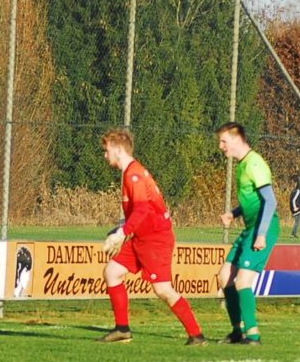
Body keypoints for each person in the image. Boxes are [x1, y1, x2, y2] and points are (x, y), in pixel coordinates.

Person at [98, 128, 207, 345]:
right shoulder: (131, 173)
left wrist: (122, 233)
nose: (105, 155)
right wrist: (122, 228)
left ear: (118, 150)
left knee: (163, 289)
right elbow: (141, 212)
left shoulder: (134, 175)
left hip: (155, 239)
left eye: (107, 150)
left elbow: (142, 209)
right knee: (112, 272)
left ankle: (196, 335)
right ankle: (122, 329)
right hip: (141, 237)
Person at [217, 122, 279, 345]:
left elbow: (270, 201)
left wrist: (261, 235)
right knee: (224, 277)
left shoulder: (255, 163)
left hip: (263, 228)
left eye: (223, 141)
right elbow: (251, 201)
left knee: (243, 281)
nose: (221, 146)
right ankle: (237, 331)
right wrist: (233, 214)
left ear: (236, 139)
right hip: (250, 228)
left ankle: (253, 335)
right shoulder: (242, 165)